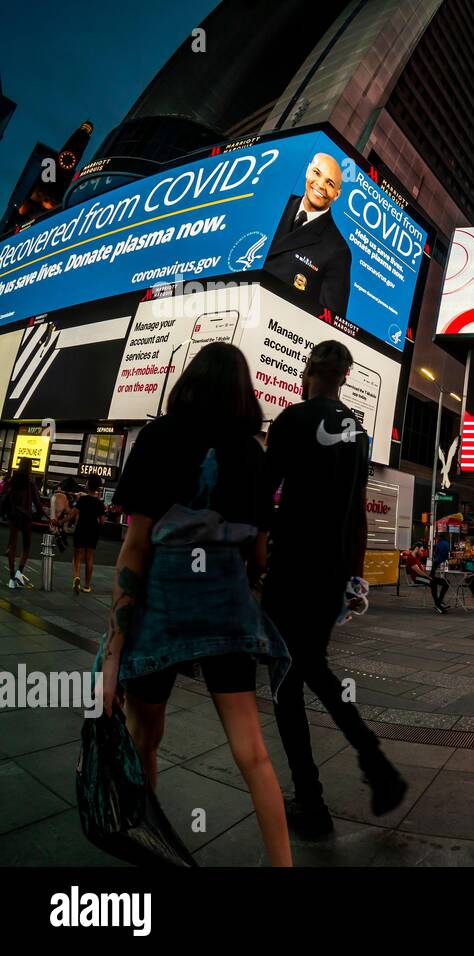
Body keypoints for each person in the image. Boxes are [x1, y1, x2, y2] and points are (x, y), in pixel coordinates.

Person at [96, 343, 292, 867]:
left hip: (162, 606)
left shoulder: (158, 437)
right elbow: (258, 552)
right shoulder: (254, 453)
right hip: (227, 607)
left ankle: (154, 853)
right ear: (242, 392)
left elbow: (135, 548)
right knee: (252, 752)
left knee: (143, 738)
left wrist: (112, 656)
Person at [261, 340, 406, 839]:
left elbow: (263, 494)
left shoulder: (291, 420)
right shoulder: (359, 433)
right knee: (310, 666)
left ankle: (313, 801)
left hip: (290, 567)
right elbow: (359, 509)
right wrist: (354, 572)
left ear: (307, 373)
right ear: (345, 376)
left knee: (287, 678)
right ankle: (373, 763)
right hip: (330, 572)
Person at [264, 152, 352, 316]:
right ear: (308, 171)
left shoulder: (339, 251)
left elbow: (329, 319)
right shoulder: (275, 203)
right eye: (317, 173)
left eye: (330, 183)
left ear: (336, 195)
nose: (319, 184)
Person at [2, 457, 43, 589]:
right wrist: (40, 514)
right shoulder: (30, 483)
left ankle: (11, 578)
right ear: (30, 467)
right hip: (25, 517)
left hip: (13, 516)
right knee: (26, 546)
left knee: (12, 546)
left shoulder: (12, 481)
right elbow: (37, 502)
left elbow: (4, 498)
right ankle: (20, 572)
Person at [70, 475, 106, 593]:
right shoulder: (99, 503)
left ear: (88, 484)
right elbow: (102, 521)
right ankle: (87, 586)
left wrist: (60, 522)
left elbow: (72, 514)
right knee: (89, 557)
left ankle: (76, 577)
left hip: (81, 528)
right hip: (93, 530)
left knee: (77, 556)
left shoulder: (82, 500)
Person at [49, 477, 80, 552]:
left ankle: (58, 534)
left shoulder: (62, 487)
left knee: (55, 516)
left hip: (63, 496)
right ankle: (65, 531)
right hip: (69, 504)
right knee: (75, 510)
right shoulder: (75, 489)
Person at [429, 533, 452, 612]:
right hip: (444, 561)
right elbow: (448, 552)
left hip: (437, 561)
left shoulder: (439, 544)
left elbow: (436, 552)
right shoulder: (446, 543)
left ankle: (438, 603)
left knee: (432, 577)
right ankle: (439, 603)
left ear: (439, 538)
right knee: (443, 579)